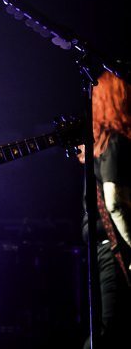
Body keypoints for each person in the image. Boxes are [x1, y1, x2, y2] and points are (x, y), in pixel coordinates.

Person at [80, 70, 131, 348]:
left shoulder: (100, 145)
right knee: (109, 329)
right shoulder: (115, 142)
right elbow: (114, 202)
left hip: (103, 246)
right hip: (114, 248)